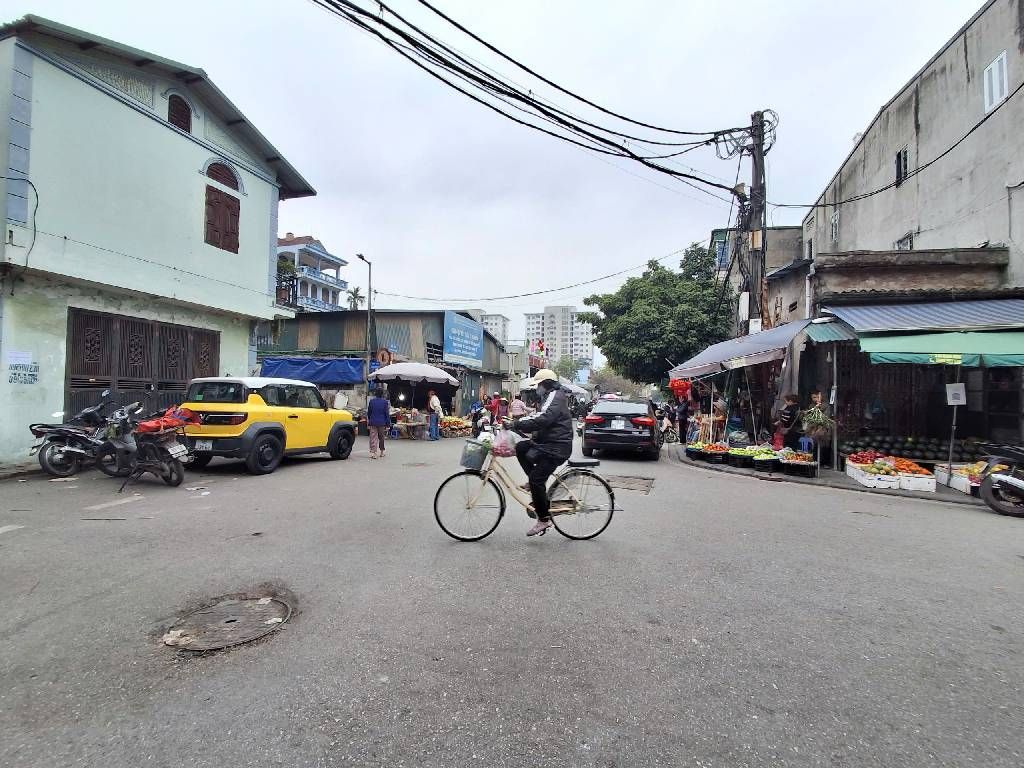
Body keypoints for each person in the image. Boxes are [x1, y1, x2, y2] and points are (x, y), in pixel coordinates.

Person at [510, 369, 574, 537]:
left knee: (536, 480)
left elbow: (544, 418)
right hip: (548, 443)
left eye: (538, 384)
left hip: (556, 447)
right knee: (521, 448)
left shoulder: (555, 395)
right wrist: (519, 424)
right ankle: (534, 486)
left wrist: (517, 424)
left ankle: (544, 519)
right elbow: (539, 417)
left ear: (546, 384)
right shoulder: (550, 396)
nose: (537, 388)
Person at [366, 387, 391, 459]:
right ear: (382, 394)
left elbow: (369, 412)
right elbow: (386, 413)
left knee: (373, 437)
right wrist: (388, 424)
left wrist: (370, 419)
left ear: (375, 394)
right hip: (382, 422)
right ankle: (382, 452)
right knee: (381, 437)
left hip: (373, 421)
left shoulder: (372, 401)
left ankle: (374, 453)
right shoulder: (385, 402)